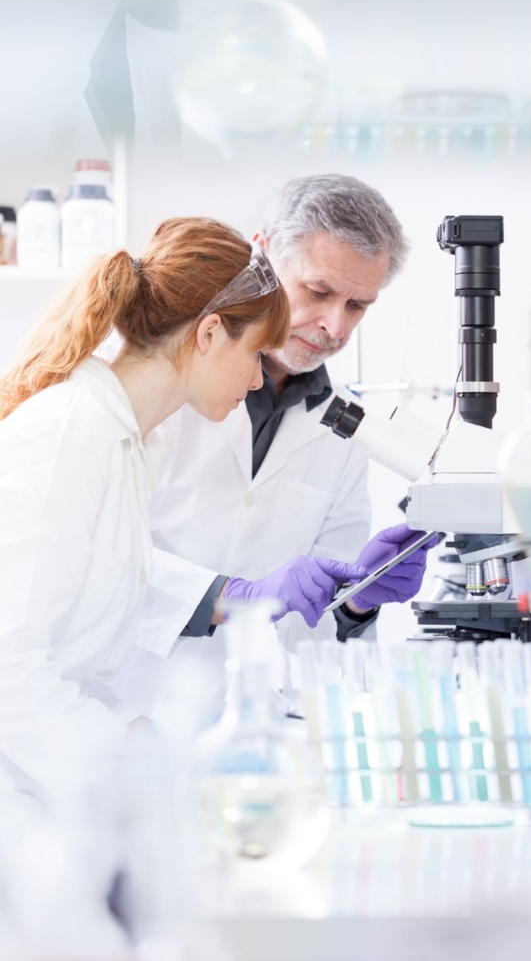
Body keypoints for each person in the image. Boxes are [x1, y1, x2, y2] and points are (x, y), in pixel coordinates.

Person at [0, 215, 410, 810]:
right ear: (210, 333)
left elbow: (83, 655)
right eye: (253, 356)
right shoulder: (70, 433)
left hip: (78, 781)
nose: (253, 381)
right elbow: (11, 671)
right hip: (29, 805)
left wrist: (153, 745)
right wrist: (144, 770)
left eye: (357, 304)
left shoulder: (133, 441)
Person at [112, 175, 430, 717]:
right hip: (123, 710)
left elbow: (316, 627)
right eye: (319, 291)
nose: (334, 325)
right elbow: (94, 563)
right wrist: (235, 595)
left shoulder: (347, 430)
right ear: (261, 254)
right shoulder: (156, 380)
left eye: (358, 306)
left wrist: (356, 603)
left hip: (255, 730)